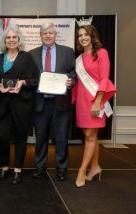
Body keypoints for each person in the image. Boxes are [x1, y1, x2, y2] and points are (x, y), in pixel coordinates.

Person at [29, 22, 76, 181]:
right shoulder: (31, 54)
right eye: (44, 33)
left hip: (61, 103)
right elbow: (29, 77)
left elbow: (73, 73)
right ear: (40, 36)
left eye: (50, 33)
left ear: (56, 34)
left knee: (61, 138)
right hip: (40, 103)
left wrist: (71, 80)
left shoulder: (68, 52)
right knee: (40, 138)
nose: (48, 36)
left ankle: (61, 169)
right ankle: (40, 168)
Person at [0, 25, 39, 185]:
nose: (11, 40)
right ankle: (4, 167)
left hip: (21, 105)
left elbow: (36, 79)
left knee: (20, 137)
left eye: (14, 37)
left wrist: (22, 82)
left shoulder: (26, 57)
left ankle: (18, 169)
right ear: (4, 40)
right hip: (2, 105)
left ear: (19, 40)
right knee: (2, 137)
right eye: (8, 37)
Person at [73, 24, 117, 187]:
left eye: (86, 35)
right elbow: (80, 83)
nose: (83, 38)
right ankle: (95, 167)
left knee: (90, 136)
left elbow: (104, 79)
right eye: (80, 35)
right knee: (90, 136)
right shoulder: (79, 58)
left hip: (95, 101)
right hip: (82, 102)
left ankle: (81, 171)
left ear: (93, 37)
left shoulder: (102, 54)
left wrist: (98, 102)